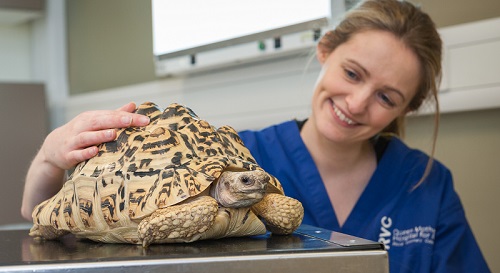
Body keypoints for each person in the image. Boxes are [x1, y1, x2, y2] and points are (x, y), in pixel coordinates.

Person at [21, 0, 489, 272]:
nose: (358, 102)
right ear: (325, 51)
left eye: (387, 97)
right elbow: (40, 222)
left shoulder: (426, 184)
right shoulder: (242, 156)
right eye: (352, 72)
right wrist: (48, 158)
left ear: (407, 109)